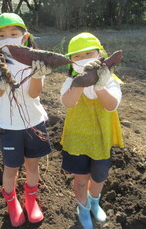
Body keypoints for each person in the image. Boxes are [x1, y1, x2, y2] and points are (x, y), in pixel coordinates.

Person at [0, 13, 52, 227]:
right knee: (11, 169)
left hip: (34, 123)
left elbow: (33, 94)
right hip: (10, 128)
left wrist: (38, 76)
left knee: (33, 166)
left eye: (14, 34)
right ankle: (12, 203)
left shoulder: (34, 63)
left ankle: (31, 201)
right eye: (2, 35)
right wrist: (3, 83)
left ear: (24, 37)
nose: (8, 38)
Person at [60, 33, 124, 229]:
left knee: (99, 177)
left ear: (100, 54)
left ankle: (94, 201)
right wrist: (80, 83)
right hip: (78, 139)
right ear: (71, 62)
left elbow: (111, 105)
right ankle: (83, 207)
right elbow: (67, 102)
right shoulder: (70, 82)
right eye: (77, 56)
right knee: (80, 180)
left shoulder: (110, 80)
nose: (84, 59)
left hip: (101, 139)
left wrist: (99, 86)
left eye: (89, 53)